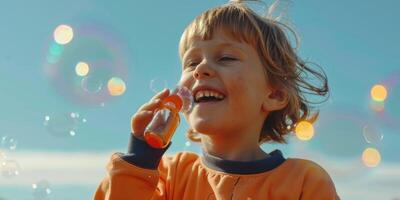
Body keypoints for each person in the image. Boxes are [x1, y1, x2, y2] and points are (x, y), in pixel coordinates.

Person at [94, 0, 340, 199]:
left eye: (226, 58)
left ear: (274, 94)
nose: (201, 69)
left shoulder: (304, 182)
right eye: (191, 62)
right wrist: (140, 158)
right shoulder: (167, 176)